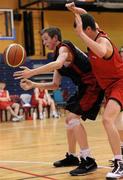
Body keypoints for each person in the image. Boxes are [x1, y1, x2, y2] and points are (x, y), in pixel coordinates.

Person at [14, 27, 104, 176]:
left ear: (55, 38)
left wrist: (31, 72)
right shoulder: (58, 56)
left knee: (72, 118)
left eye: (46, 39)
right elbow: (55, 85)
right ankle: (72, 156)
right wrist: (34, 84)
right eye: (43, 40)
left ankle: (88, 159)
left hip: (94, 85)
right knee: (69, 119)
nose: (44, 43)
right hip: (84, 86)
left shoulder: (64, 48)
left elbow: (57, 64)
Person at [67, 2, 123, 178]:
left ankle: (120, 164)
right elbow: (87, 15)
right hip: (109, 87)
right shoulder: (95, 29)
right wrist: (75, 11)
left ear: (89, 29)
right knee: (119, 126)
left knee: (107, 120)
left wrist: (81, 35)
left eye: (84, 30)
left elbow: (101, 52)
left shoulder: (102, 41)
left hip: (119, 84)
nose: (80, 35)